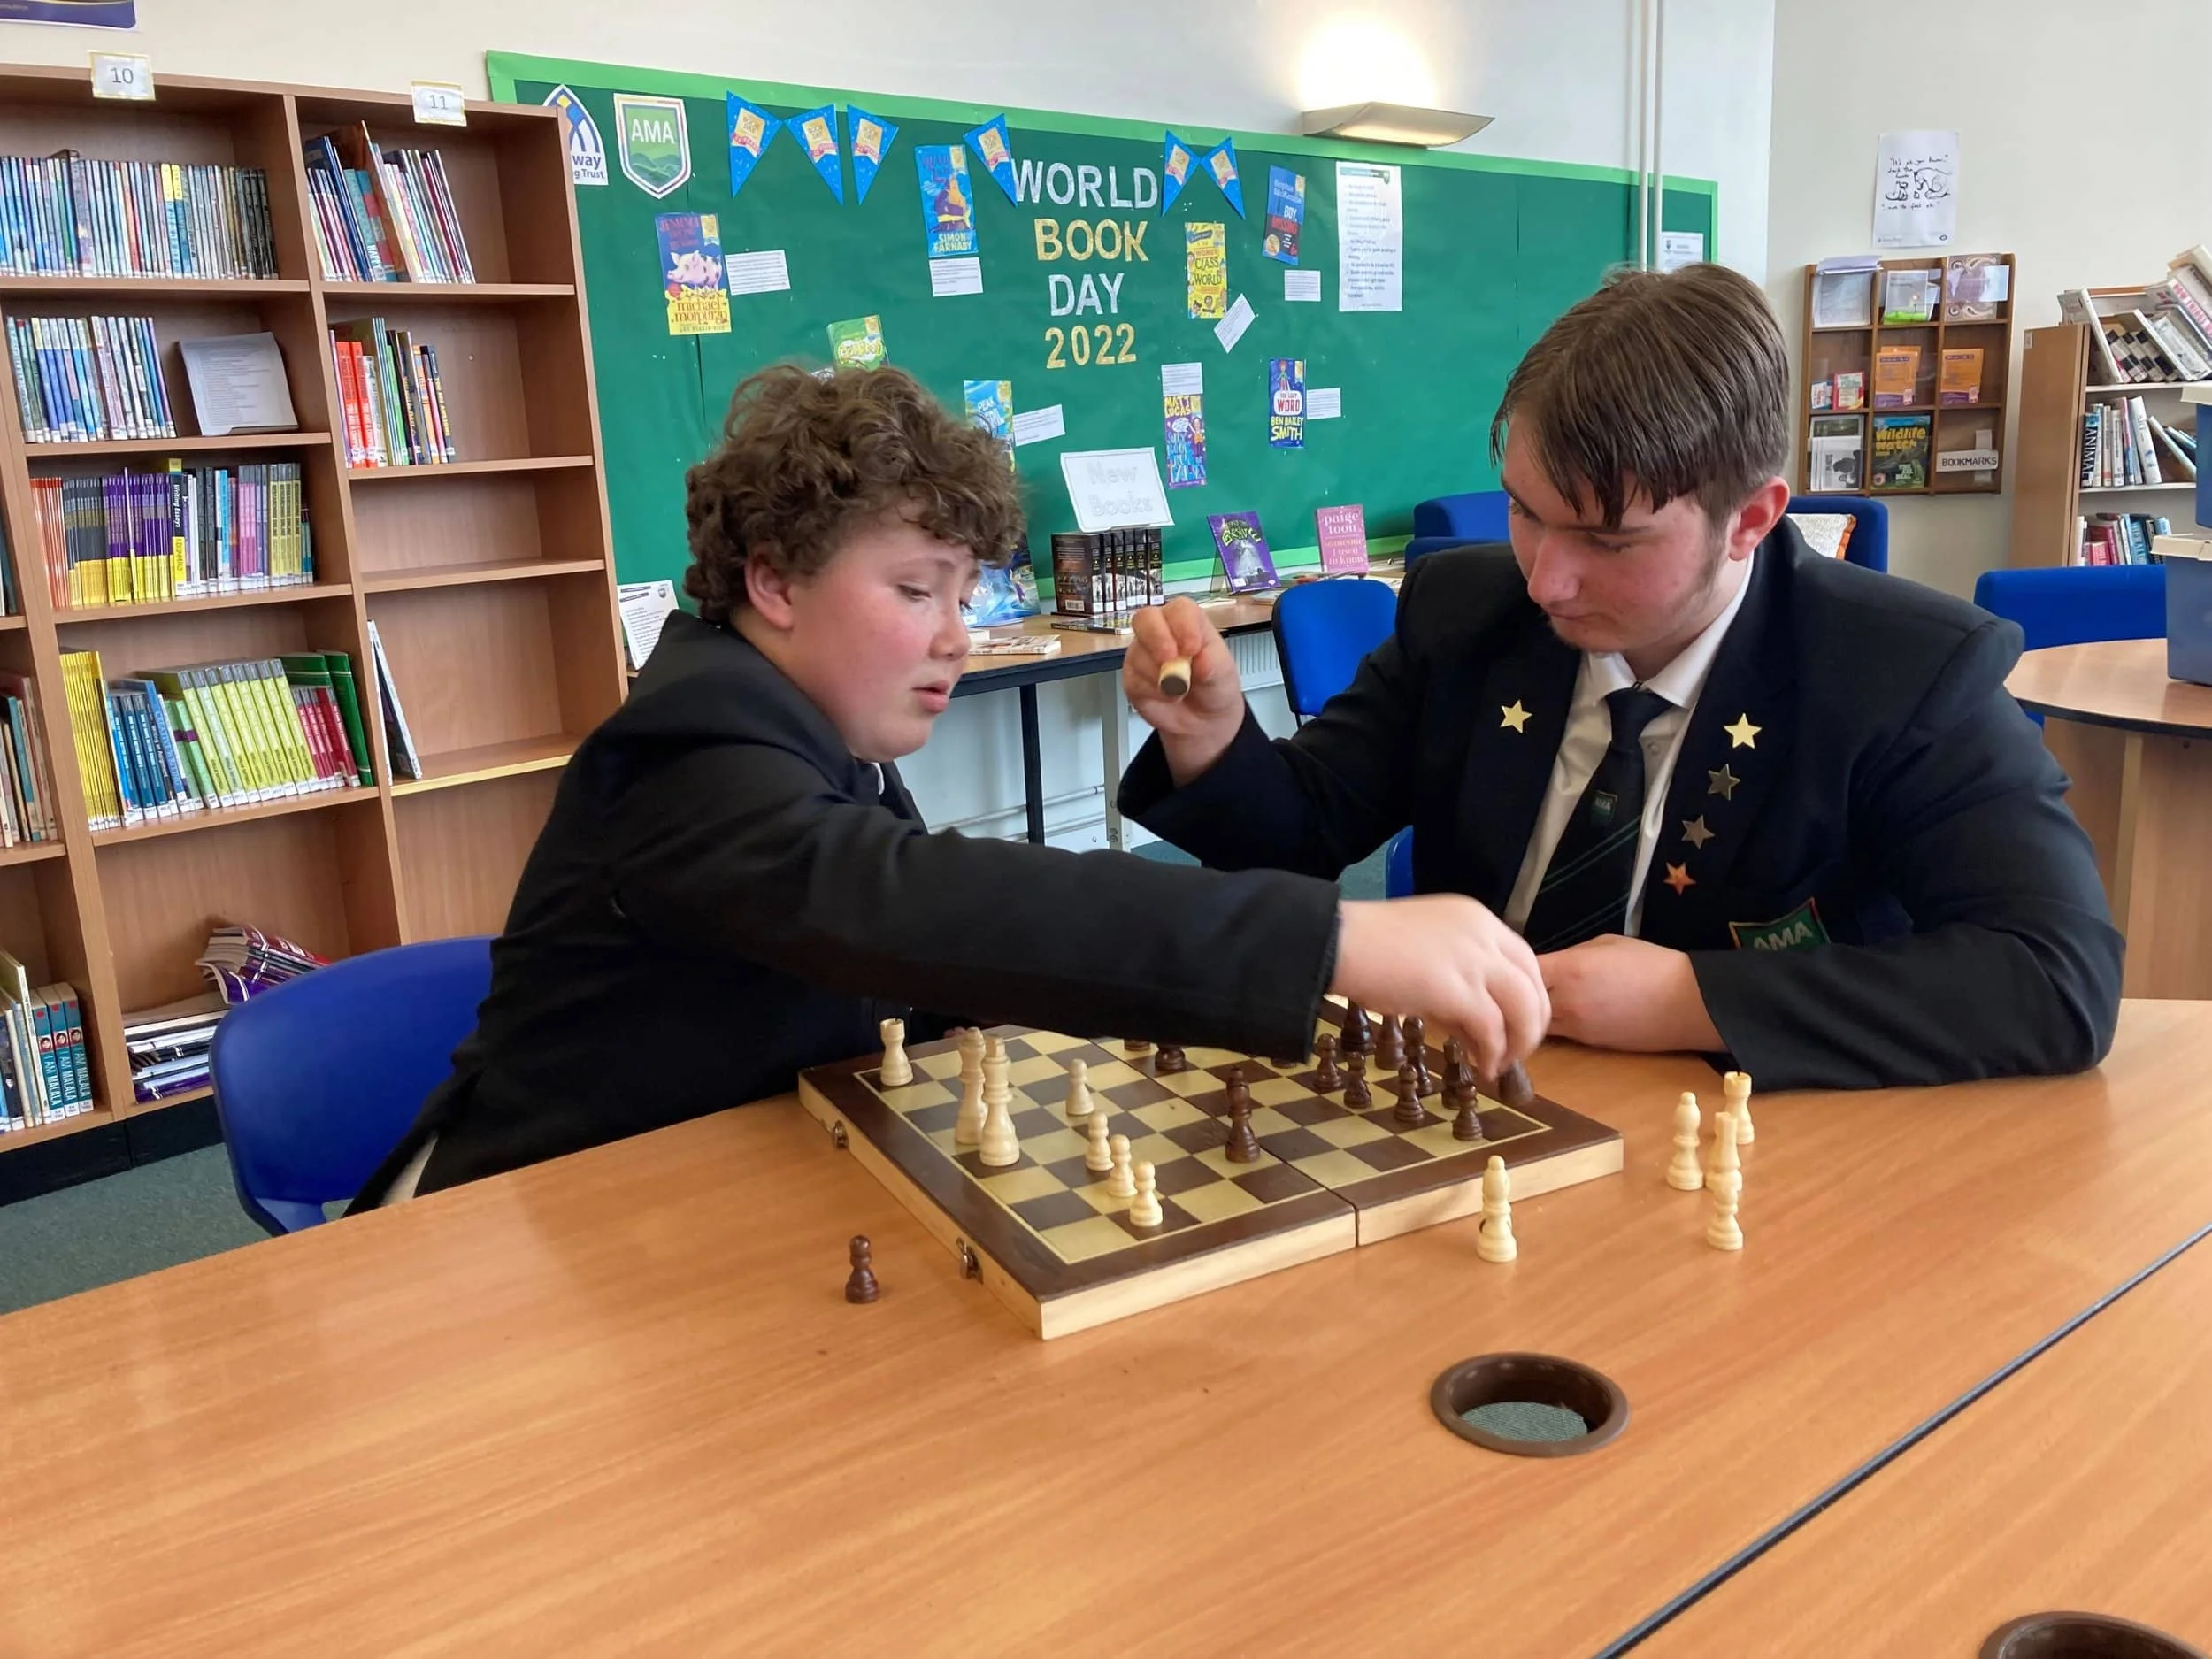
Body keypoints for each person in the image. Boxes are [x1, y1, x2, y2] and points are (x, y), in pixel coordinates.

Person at [355, 365, 1547, 1206]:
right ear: (772, 578)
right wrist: (1328, 938)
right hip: (508, 1236)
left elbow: (913, 976)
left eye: (965, 594)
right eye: (918, 589)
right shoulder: (692, 748)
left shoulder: (797, 718)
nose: (957, 636)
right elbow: (910, 905)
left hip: (701, 1189)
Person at [1118, 264, 2124, 1092]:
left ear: (1751, 519)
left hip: (1749, 1152)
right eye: (1523, 511)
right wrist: (1209, 739)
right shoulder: (1462, 610)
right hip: (1480, 1113)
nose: (1545, 579)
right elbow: (1303, 830)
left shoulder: (1906, 673)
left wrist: (1692, 998)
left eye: (1607, 540)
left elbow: (2057, 975)